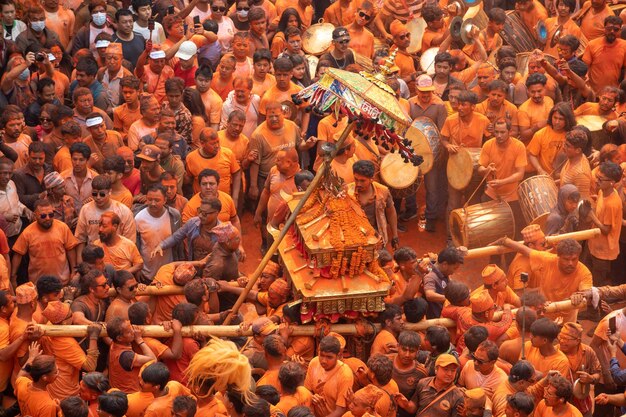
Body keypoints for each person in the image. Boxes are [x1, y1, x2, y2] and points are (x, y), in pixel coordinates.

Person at [11, 198, 78, 286]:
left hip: (62, 282)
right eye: (43, 216)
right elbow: (18, 254)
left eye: (51, 215)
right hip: (38, 284)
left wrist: (73, 271)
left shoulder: (62, 227)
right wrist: (13, 276)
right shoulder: (28, 232)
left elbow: (70, 249)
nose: (47, 218)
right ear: (35, 216)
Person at [74, 175, 137, 261]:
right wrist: (80, 263)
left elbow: (130, 242)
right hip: (93, 259)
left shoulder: (123, 211)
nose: (98, 198)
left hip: (118, 259)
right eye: (95, 194)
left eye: (102, 194)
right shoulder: (85, 210)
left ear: (110, 192)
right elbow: (80, 239)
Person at [586, 161, 623, 285]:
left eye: (600, 179)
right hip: (594, 244)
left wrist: (591, 216)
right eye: (597, 177)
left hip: (603, 252)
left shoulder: (612, 203)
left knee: (597, 286)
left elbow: (606, 230)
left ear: (612, 182)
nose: (596, 181)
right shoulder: (603, 191)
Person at [347, 160, 398, 249]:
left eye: (362, 181)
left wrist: (395, 236)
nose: (358, 184)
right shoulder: (347, 192)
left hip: (378, 239)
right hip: (354, 240)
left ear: (372, 178)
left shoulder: (383, 191)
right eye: (356, 179)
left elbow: (391, 212)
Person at [394, 353, 464, 417]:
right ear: (436, 369)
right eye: (445, 369)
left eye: (453, 370)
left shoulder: (457, 396)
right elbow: (414, 407)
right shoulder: (423, 383)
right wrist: (406, 405)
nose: (449, 374)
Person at [304, 336, 353, 417]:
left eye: (329, 357)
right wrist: (313, 397)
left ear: (339, 356)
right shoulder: (314, 362)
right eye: (321, 355)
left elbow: (340, 410)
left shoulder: (345, 374)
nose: (323, 361)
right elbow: (307, 391)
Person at [107, 316, 157, 393]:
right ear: (119, 338)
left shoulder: (114, 343)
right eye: (129, 332)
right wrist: (139, 340)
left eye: (132, 328)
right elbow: (153, 360)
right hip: (129, 395)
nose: (133, 332)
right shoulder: (126, 356)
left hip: (118, 392)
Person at [582, 16, 626, 93]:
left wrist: (623, 88)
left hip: (613, 94)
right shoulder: (592, 44)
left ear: (620, 31)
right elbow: (585, 69)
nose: (612, 31)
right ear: (604, 29)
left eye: (616, 29)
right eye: (609, 29)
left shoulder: (624, 45)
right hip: (593, 93)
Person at [14, 342, 59, 417]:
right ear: (44, 377)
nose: (58, 373)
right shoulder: (47, 405)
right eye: (55, 372)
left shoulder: (22, 383)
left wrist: (31, 358)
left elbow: (20, 375)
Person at [423, 247, 464, 318]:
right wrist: (451, 299)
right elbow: (429, 295)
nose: (454, 272)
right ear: (445, 264)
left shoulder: (443, 272)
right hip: (437, 319)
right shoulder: (430, 277)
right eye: (454, 268)